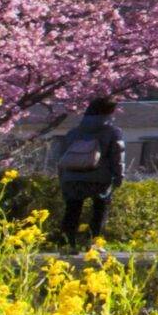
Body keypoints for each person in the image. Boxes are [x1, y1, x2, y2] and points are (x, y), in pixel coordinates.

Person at [50, 97, 124, 250]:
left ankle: (67, 243)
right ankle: (94, 242)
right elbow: (117, 156)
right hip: (100, 177)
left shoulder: (73, 132)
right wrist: (119, 176)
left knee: (73, 209)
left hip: (73, 175)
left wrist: (63, 177)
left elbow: (63, 156)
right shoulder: (112, 132)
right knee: (100, 209)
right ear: (109, 112)